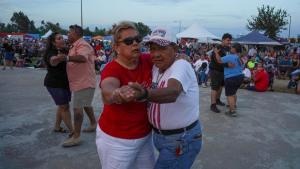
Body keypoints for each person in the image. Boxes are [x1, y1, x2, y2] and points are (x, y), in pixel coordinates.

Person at [128, 28, 202, 169]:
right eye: (152, 49)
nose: (156, 54)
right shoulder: (156, 68)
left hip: (181, 139)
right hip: (161, 137)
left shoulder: (181, 65)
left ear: (174, 48)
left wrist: (144, 94)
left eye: (162, 48)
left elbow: (173, 92)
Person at [96, 21, 155, 169]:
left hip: (145, 136)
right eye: (129, 41)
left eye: (137, 39)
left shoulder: (146, 60)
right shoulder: (111, 69)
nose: (135, 44)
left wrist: (180, 58)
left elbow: (165, 56)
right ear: (116, 47)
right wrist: (116, 94)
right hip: (117, 140)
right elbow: (107, 89)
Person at [62, 25, 97, 147]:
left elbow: (82, 58)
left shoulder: (83, 45)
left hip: (84, 82)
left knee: (77, 110)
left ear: (76, 33)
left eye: (69, 32)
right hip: (79, 82)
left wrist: (66, 58)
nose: (67, 34)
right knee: (85, 104)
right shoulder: (75, 45)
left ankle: (76, 137)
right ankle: (93, 124)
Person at [43, 32, 73, 136]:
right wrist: (58, 58)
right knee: (65, 107)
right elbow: (52, 61)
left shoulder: (64, 49)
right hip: (55, 84)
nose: (62, 39)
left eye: (62, 38)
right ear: (53, 43)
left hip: (64, 83)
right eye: (59, 38)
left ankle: (57, 127)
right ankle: (73, 131)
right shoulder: (51, 52)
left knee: (62, 106)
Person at [214, 43, 244, 116]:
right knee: (233, 93)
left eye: (232, 47)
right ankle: (233, 105)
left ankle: (232, 111)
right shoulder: (239, 58)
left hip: (231, 78)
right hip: (240, 77)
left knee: (229, 95)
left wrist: (216, 52)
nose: (230, 48)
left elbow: (219, 60)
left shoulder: (230, 57)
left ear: (234, 49)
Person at [209, 33, 233, 113]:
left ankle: (217, 100)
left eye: (230, 40)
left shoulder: (227, 48)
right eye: (228, 40)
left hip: (223, 70)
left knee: (220, 86)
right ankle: (213, 105)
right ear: (223, 40)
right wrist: (227, 65)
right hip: (215, 70)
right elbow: (216, 60)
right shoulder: (218, 47)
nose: (229, 42)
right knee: (215, 87)